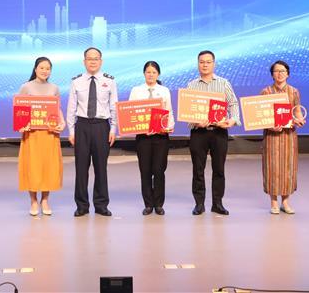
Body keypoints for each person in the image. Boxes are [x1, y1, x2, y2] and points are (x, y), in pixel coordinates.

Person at [186, 50, 240, 216]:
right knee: (198, 169)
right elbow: (187, 110)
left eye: (208, 62)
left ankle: (217, 203)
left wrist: (233, 120)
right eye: (202, 62)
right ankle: (199, 204)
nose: (205, 65)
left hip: (218, 132)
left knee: (219, 169)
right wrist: (195, 121)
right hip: (199, 133)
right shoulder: (191, 85)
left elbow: (233, 103)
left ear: (214, 64)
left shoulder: (223, 83)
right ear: (198, 64)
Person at [66, 47, 118, 217]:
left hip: (101, 127)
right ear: (84, 61)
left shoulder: (110, 81)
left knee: (101, 168)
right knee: (81, 168)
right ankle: (82, 205)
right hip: (82, 126)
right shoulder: (77, 81)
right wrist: (71, 131)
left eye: (96, 59)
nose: (93, 61)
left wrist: (113, 128)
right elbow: (71, 108)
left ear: (101, 61)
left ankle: (101, 204)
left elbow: (114, 106)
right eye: (89, 59)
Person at [17, 57, 65, 216]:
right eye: (42, 67)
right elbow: (20, 110)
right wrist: (21, 124)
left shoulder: (54, 88)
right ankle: (33, 201)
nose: (45, 71)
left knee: (48, 166)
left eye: (48, 68)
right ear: (35, 69)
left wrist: (62, 122)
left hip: (50, 133)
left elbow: (57, 109)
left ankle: (45, 200)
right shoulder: (26, 87)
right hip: (32, 134)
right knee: (33, 166)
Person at [129, 61, 175, 216]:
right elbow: (130, 113)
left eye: (154, 72)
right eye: (148, 72)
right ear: (144, 73)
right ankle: (148, 204)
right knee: (145, 171)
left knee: (159, 170)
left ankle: (159, 204)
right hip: (143, 138)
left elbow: (169, 111)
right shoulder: (136, 90)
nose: (151, 75)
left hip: (161, 137)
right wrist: (140, 128)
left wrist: (169, 126)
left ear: (158, 74)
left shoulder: (164, 90)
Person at [260, 60, 305, 215]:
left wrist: (300, 119)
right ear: (272, 74)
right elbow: (261, 115)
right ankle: (273, 202)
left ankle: (285, 202)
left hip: (288, 136)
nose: (279, 74)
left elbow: (297, 111)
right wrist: (270, 126)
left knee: (288, 167)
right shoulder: (266, 92)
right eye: (276, 71)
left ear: (288, 74)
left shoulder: (294, 92)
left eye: (283, 71)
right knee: (272, 167)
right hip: (272, 136)